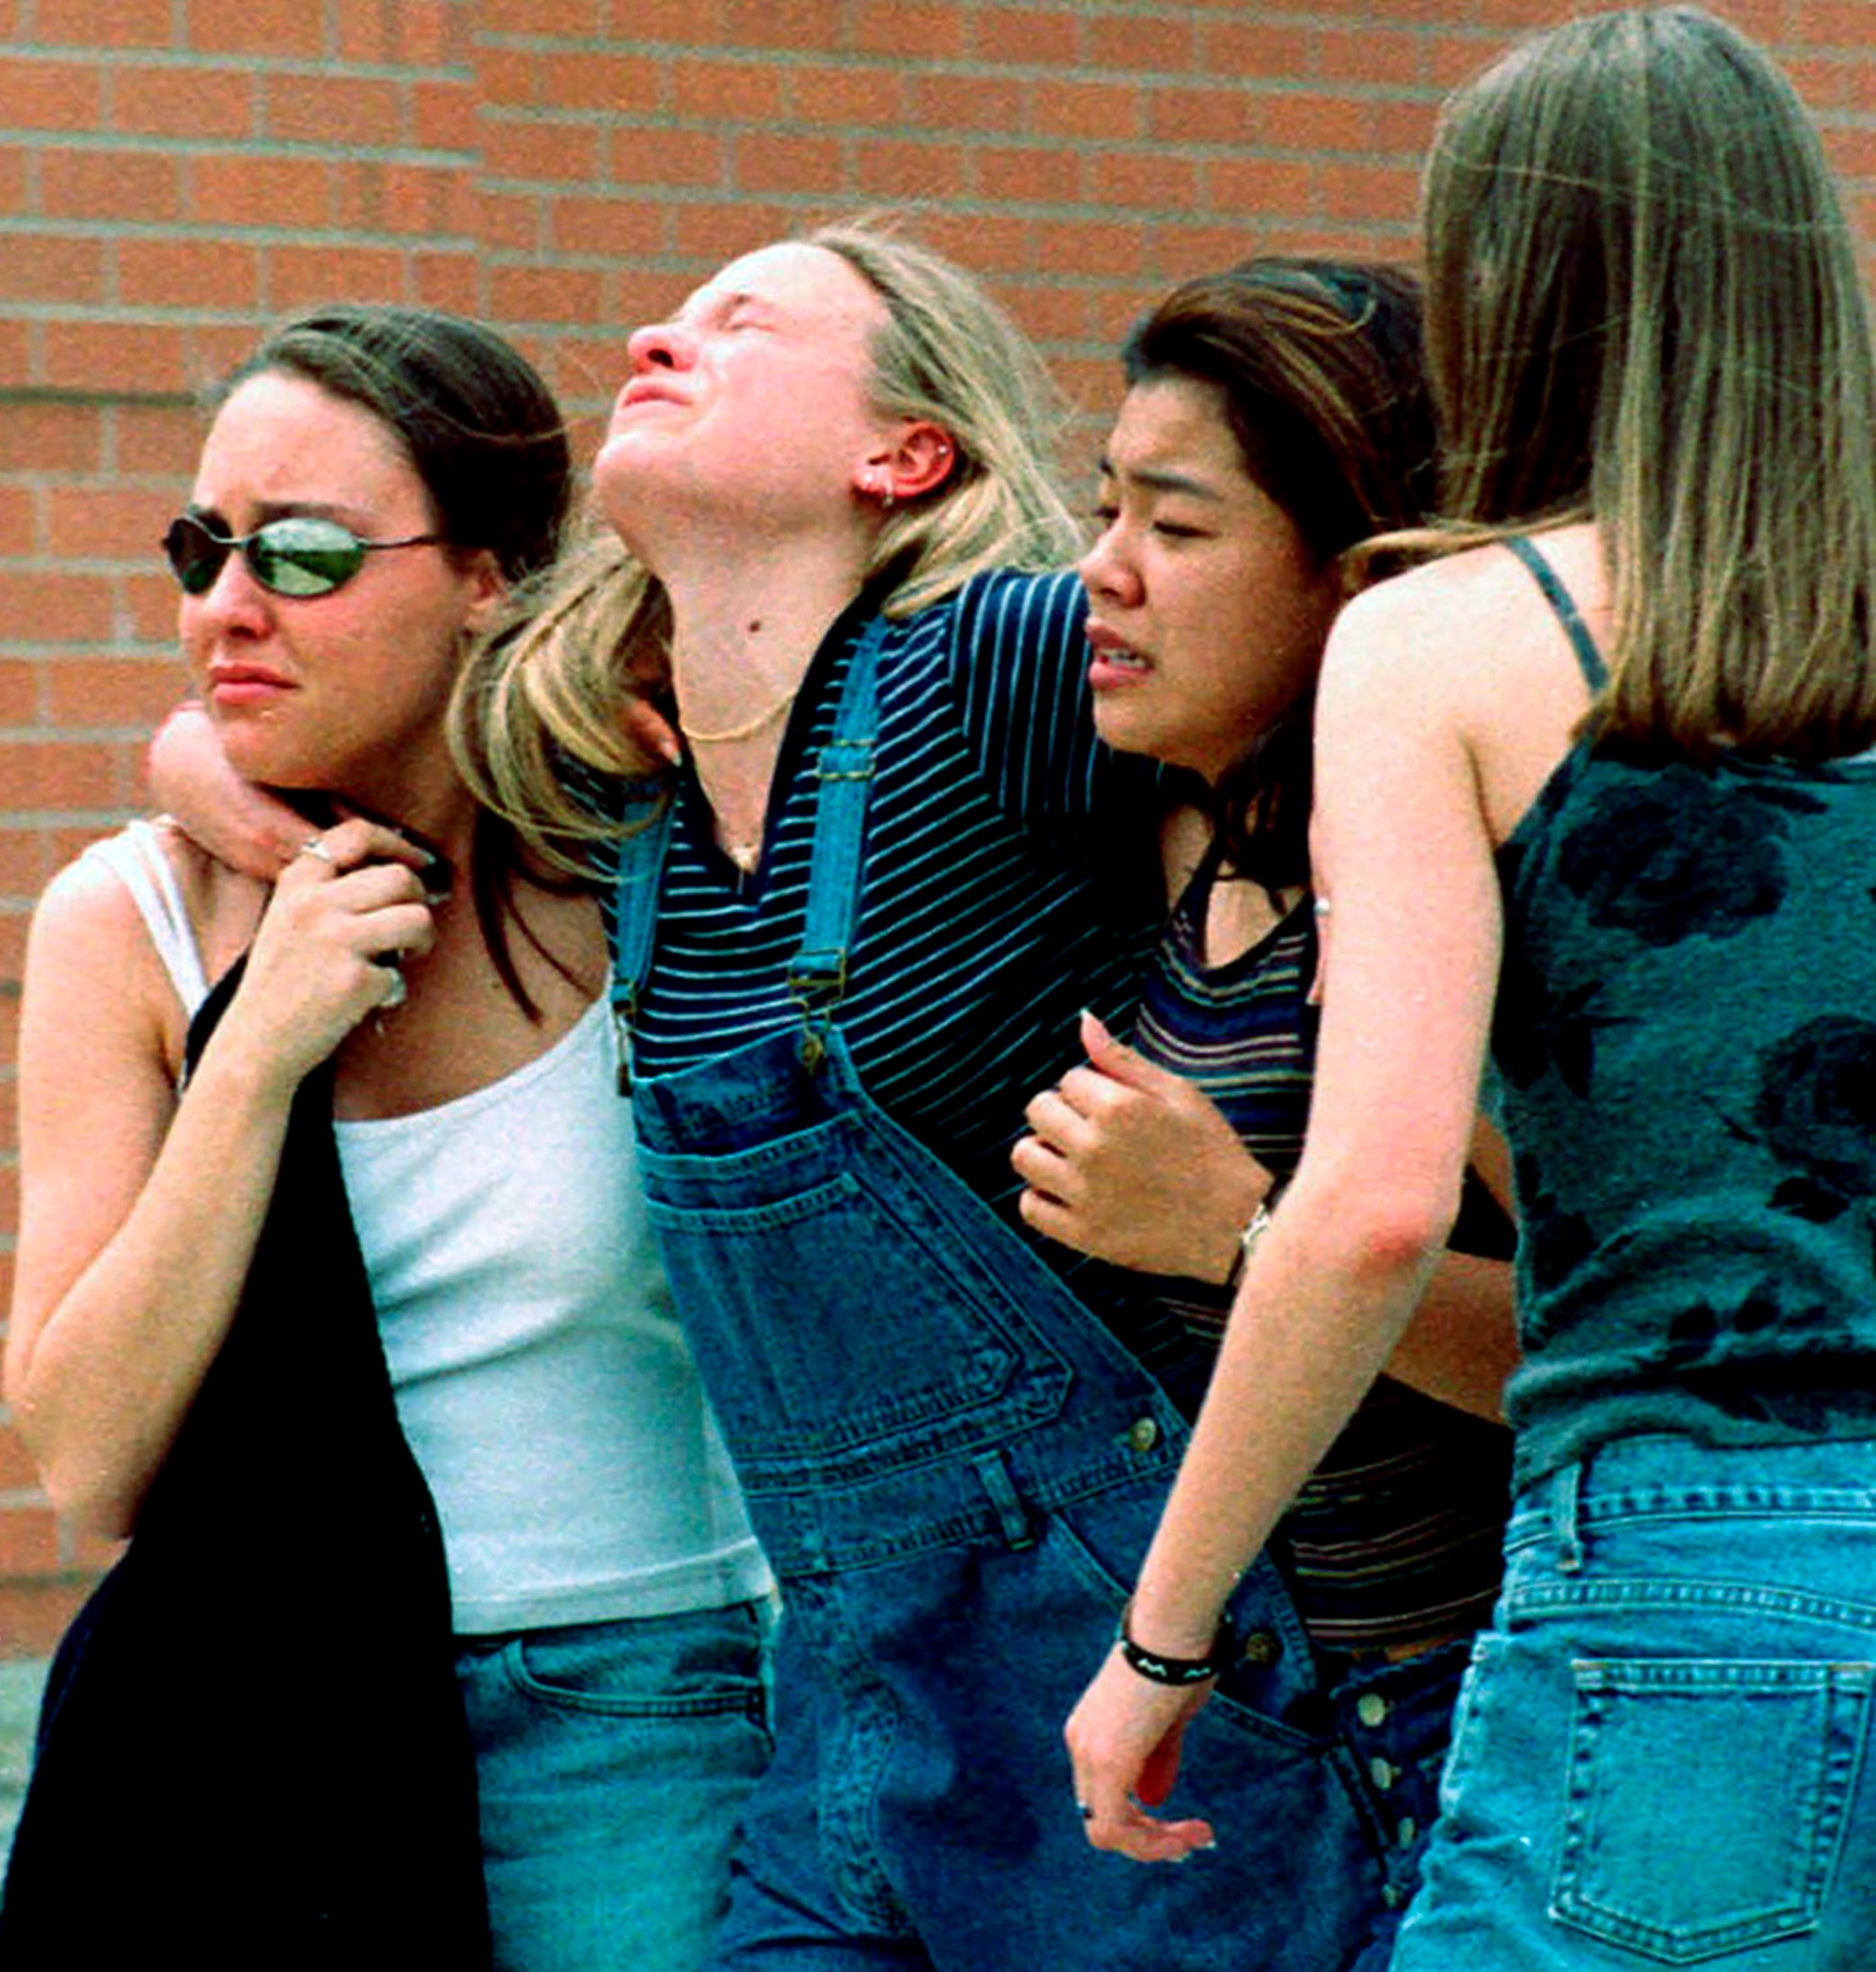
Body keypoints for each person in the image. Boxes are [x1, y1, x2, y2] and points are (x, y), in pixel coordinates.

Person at [1064, 13, 1876, 1970]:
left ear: (1512, 292)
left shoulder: (1444, 643)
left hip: (1684, 1604)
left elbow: (1361, 1211)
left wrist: (1156, 1642)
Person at [444, 223, 1434, 1969]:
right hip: (847, 1715)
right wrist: (195, 768)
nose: (658, 333)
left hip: (1144, 1717)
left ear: (902, 456)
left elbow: (1338, 648)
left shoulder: (991, 669)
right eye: (669, 309)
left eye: (741, 322)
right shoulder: (638, 812)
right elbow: (336, 725)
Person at [0, 305, 771, 1972]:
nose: (227, 606)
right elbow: (87, 1455)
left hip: (631, 1705)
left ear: (491, 575)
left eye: (308, 553)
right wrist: (253, 1049)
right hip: (254, 1724)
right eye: (204, 548)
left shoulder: (644, 873)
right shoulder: (123, 921)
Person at [1009, 257, 1519, 1955]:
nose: (1105, 572)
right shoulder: (1170, 820)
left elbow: (1605, 1350)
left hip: (1455, 1724)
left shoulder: (1452, 891)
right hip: (1238, 1733)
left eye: (1180, 525)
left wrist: (1237, 1233)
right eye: (1103, 510)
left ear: (1354, 572)